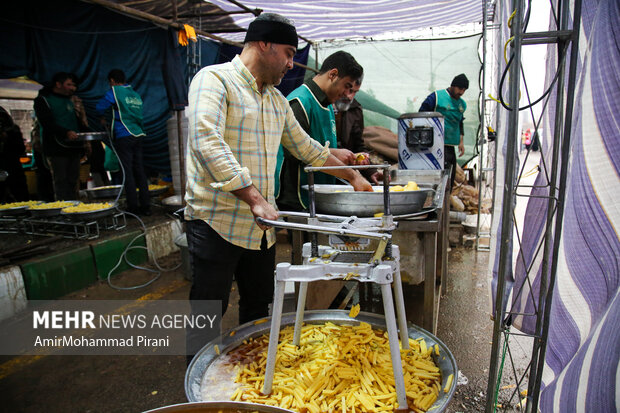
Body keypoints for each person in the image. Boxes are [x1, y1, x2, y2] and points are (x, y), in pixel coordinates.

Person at [184, 13, 372, 357]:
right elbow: (205, 140)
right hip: (216, 223)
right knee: (206, 316)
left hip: (261, 230)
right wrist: (254, 197)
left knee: (257, 313)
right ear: (263, 43)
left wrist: (354, 176)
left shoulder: (276, 101)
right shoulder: (213, 80)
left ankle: (251, 381)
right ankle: (197, 397)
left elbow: (308, 149)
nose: (291, 63)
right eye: (287, 52)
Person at [275, 51, 366, 212]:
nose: (348, 95)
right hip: (297, 199)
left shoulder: (328, 104)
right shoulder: (299, 102)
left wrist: (340, 156)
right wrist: (335, 155)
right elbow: (294, 151)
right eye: (347, 86)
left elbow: (323, 144)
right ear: (333, 74)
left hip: (320, 195)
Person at [96, 69, 150, 215]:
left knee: (128, 172)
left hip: (123, 134)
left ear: (112, 81)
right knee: (140, 170)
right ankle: (146, 206)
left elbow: (99, 107)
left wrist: (102, 118)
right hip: (138, 133)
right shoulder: (135, 94)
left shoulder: (115, 91)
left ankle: (133, 207)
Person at [33, 72, 86, 201]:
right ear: (58, 84)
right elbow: (47, 123)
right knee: (61, 181)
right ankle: (64, 210)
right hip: (56, 147)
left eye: (73, 85)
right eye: (68, 84)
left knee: (73, 180)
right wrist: (66, 132)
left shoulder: (70, 101)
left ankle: (75, 207)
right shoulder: (44, 100)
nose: (72, 88)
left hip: (73, 147)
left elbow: (77, 122)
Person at [419, 73, 468, 189]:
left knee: (449, 176)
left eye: (464, 90)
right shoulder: (436, 97)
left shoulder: (462, 104)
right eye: (460, 88)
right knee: (438, 177)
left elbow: (460, 122)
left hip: (450, 145)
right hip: (435, 144)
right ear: (453, 86)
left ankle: (445, 199)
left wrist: (461, 142)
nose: (461, 92)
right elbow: (421, 114)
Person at [0, 106, 29, 202]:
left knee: (20, 194)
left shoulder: (12, 130)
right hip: (13, 166)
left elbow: (20, 148)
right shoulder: (13, 129)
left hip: (12, 165)